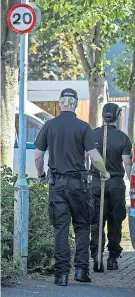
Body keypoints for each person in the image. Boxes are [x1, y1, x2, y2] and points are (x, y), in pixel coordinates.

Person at [34, 88, 110, 286]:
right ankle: (80, 271)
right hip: (79, 185)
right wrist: (104, 172)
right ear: (75, 104)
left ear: (60, 103)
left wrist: (42, 175)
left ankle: (61, 275)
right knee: (82, 226)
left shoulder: (49, 126)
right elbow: (94, 157)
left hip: (57, 184)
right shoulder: (83, 127)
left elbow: (38, 157)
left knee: (61, 228)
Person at [90, 103, 132, 272]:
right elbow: (127, 163)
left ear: (103, 116)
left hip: (96, 182)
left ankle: (96, 256)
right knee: (115, 222)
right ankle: (113, 258)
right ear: (118, 116)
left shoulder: (92, 135)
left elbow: (87, 158)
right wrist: (133, 185)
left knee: (96, 221)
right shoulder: (123, 138)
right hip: (115, 185)